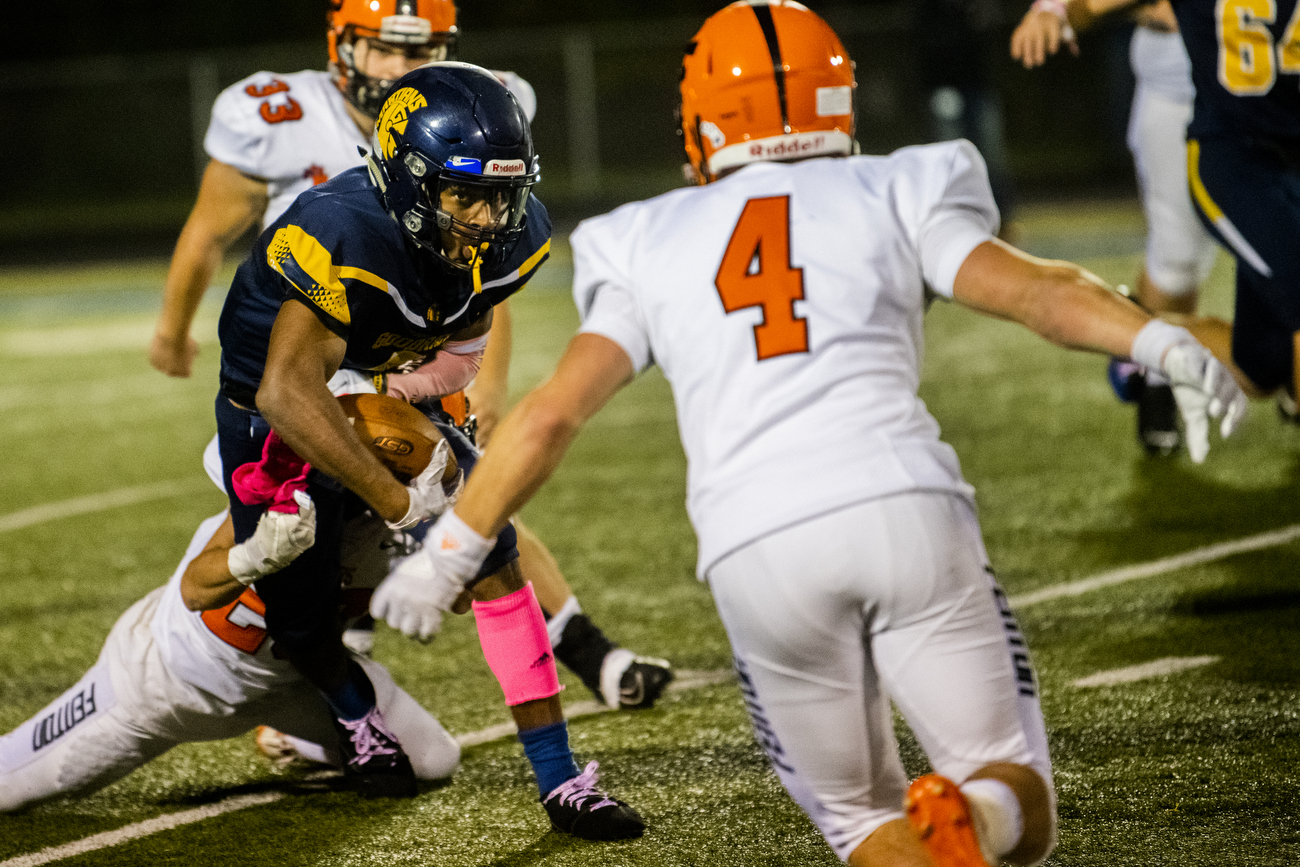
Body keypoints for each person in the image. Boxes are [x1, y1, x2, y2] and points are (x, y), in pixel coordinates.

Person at [362, 2, 1247, 864]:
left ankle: (946, 834)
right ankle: (970, 815)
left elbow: (553, 413)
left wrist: (450, 551)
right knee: (1014, 793)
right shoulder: (900, 182)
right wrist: (1157, 337)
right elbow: (1037, 291)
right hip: (904, 508)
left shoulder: (645, 234)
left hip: (757, 551)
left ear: (702, 116)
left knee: (862, 821)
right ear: (838, 97)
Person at [149, 0, 672, 714]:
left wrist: (483, 376)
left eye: (423, 48)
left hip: (420, 345)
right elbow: (208, 233)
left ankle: (588, 652)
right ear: (342, 45)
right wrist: (174, 329)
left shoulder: (477, 107)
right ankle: (316, 690)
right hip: (317, 353)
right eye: (386, 47)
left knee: (473, 494)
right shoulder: (276, 115)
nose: (404, 66)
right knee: (308, 533)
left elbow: (481, 268)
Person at [213, 62, 643, 839]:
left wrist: (414, 410)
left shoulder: (515, 234)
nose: (489, 216)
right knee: (301, 614)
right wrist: (399, 502)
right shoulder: (340, 230)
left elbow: (462, 342)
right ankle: (352, 711)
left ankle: (560, 777)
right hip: (277, 406)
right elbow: (285, 390)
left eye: (501, 194)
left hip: (374, 375)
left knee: (491, 547)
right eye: (465, 194)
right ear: (409, 184)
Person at [0, 497, 461, 812]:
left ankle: (290, 739)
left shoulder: (423, 513)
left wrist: (450, 547)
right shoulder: (292, 478)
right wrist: (255, 555)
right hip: (162, 684)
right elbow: (197, 587)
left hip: (298, 683)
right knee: (6, 784)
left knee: (434, 760)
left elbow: (480, 580)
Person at [1010, 0, 1300, 416]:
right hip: (1237, 153)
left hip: (1288, 152)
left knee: (1260, 369)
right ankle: (1141, 349)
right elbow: (1087, 7)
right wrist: (1052, 13)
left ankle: (1142, 330)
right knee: (1179, 262)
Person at [1012, 0, 1221, 455]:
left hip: (1277, 96)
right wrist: (1057, 10)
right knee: (1177, 262)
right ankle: (1155, 367)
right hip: (1182, 91)